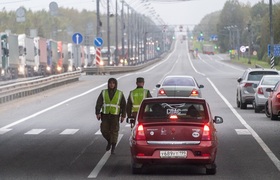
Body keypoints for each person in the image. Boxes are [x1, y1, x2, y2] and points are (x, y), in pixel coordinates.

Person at [95, 78, 126, 155]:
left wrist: (123, 115)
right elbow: (99, 103)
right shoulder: (103, 92)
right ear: (108, 84)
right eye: (110, 83)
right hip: (105, 115)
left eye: (113, 83)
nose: (112, 84)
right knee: (103, 130)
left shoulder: (120, 93)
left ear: (115, 84)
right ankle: (109, 140)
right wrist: (97, 112)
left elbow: (124, 105)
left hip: (115, 115)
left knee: (114, 131)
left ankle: (113, 148)